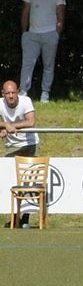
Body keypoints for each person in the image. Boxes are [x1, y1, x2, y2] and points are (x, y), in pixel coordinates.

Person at [20, 0, 66, 104]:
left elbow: (61, 16)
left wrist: (56, 34)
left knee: (48, 65)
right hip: (32, 35)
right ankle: (23, 91)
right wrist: (24, 32)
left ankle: (45, 93)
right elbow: (25, 13)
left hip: (50, 34)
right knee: (27, 64)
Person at [1, 80, 39, 228]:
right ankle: (15, 216)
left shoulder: (26, 101)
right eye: (7, 93)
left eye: (13, 92)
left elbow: (31, 122)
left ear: (18, 92)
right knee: (9, 179)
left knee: (28, 181)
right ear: (3, 94)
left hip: (29, 144)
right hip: (12, 146)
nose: (10, 96)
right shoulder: (0, 103)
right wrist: (5, 125)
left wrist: (10, 126)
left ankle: (25, 217)